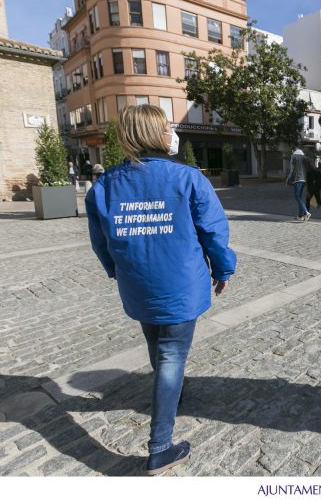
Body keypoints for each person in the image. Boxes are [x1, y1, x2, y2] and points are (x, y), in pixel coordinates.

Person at [85, 105, 237, 475]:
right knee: (171, 354)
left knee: (158, 345)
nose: (173, 133)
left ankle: (171, 391)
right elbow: (214, 232)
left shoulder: (104, 186)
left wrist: (115, 272)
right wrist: (223, 268)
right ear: (155, 133)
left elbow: (100, 242)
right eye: (168, 127)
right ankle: (160, 446)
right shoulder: (188, 179)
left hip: (138, 284)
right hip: (180, 285)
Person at [286, 147, 311, 220]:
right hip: (304, 180)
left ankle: (306, 212)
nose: (292, 153)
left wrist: (288, 180)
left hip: (297, 179)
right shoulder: (304, 157)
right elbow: (307, 169)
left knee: (297, 196)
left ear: (294, 151)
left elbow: (291, 169)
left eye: (292, 151)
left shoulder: (293, 156)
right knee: (299, 197)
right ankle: (300, 216)